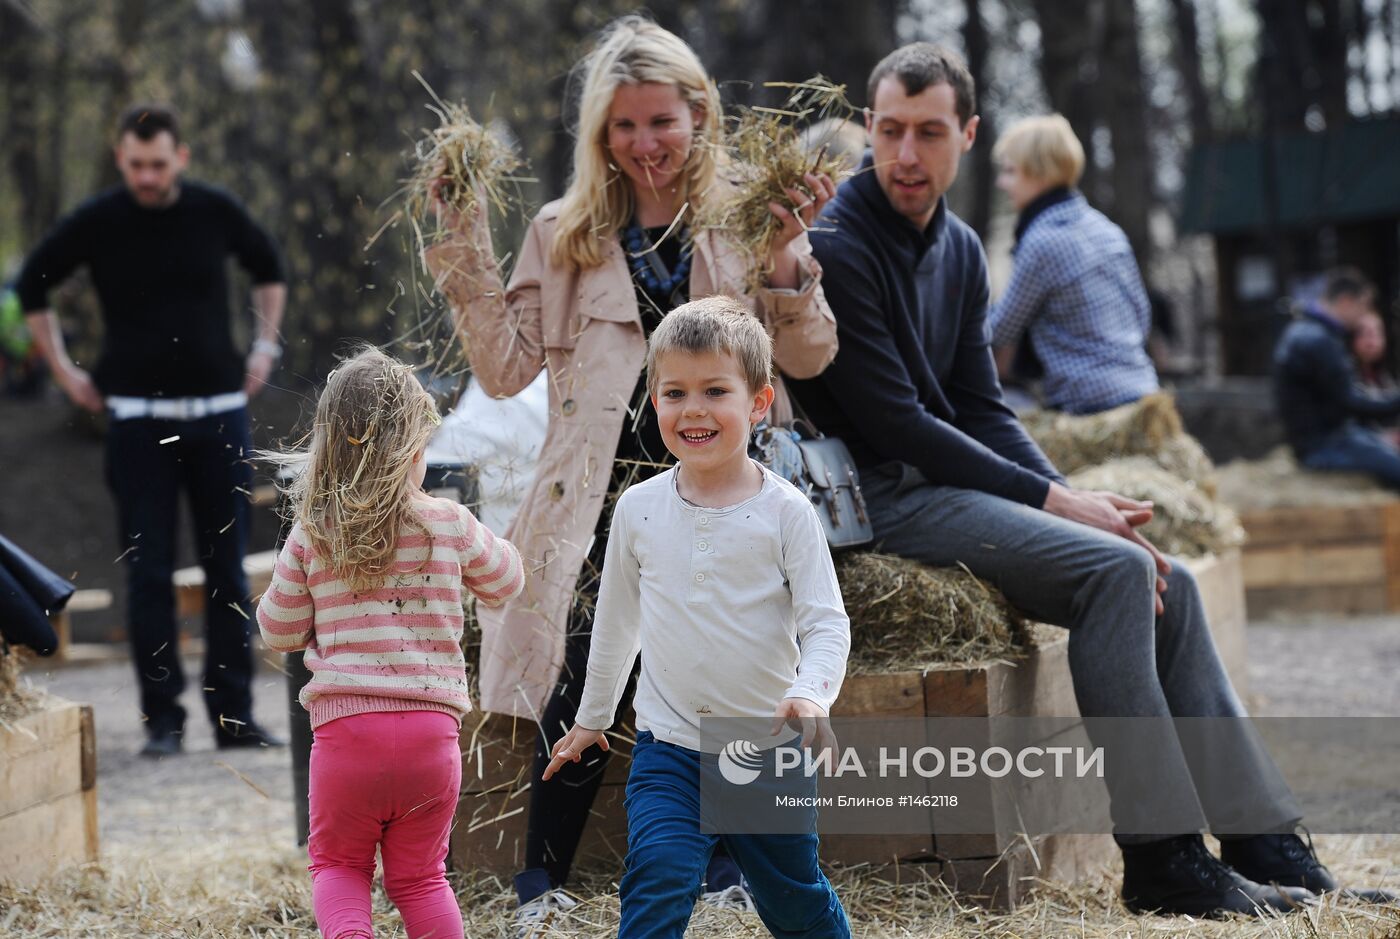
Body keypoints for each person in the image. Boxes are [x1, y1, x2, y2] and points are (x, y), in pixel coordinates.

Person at [786, 43, 1340, 917]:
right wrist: (1066, 505)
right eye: (888, 130)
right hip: (880, 497)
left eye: (929, 133)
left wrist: (1082, 504)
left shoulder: (963, 248)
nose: (904, 154)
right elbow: (903, 425)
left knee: (1171, 579)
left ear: (967, 135)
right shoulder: (840, 243)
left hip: (942, 484)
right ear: (867, 126)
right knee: (1112, 573)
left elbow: (983, 403)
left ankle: (1263, 838)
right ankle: (1161, 859)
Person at [424, 15, 838, 929]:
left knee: (736, 660)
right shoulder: (563, 233)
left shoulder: (743, 212)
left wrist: (787, 258)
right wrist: (458, 242)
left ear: (699, 115)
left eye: (662, 122)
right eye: (623, 126)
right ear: (600, 135)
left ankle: (733, 862)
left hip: (726, 487)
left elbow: (805, 358)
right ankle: (541, 880)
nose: (645, 146)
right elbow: (502, 369)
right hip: (600, 497)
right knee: (579, 678)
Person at [545, 298, 851, 939]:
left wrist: (810, 693)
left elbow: (825, 622)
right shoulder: (639, 509)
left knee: (793, 901)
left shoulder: (787, 512)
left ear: (759, 402)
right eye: (674, 392)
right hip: (670, 748)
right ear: (652, 401)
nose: (693, 410)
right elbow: (617, 624)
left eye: (716, 390)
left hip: (763, 749)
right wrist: (592, 718)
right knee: (656, 875)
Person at [16, 104, 288, 757]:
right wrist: (62, 369)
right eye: (135, 164)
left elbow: (269, 267)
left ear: (181, 158)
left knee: (227, 567)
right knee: (149, 572)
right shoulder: (99, 220)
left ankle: (235, 718)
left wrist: (263, 350)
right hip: (137, 421)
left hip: (219, 412)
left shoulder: (214, 211)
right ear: (121, 158)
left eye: (158, 164)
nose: (146, 176)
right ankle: (161, 721)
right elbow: (32, 284)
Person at [256, 347, 525, 939]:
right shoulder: (447, 522)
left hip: (347, 737)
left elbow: (277, 630)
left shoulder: (314, 533)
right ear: (411, 449)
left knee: (339, 866)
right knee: (422, 879)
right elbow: (507, 581)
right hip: (432, 737)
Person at [985, 114, 1159, 414]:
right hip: (1142, 392)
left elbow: (1001, 329)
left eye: (1010, 172)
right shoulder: (1107, 230)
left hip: (1089, 403)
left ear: (1039, 172)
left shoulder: (1043, 240)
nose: (1002, 182)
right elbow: (1141, 318)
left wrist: (954, 327)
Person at [1275, 269, 1400, 489]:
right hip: (1324, 446)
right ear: (1345, 301)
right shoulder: (1319, 340)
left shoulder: (1306, 331)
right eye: (1362, 306)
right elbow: (1351, 401)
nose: (1363, 315)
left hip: (1321, 440)